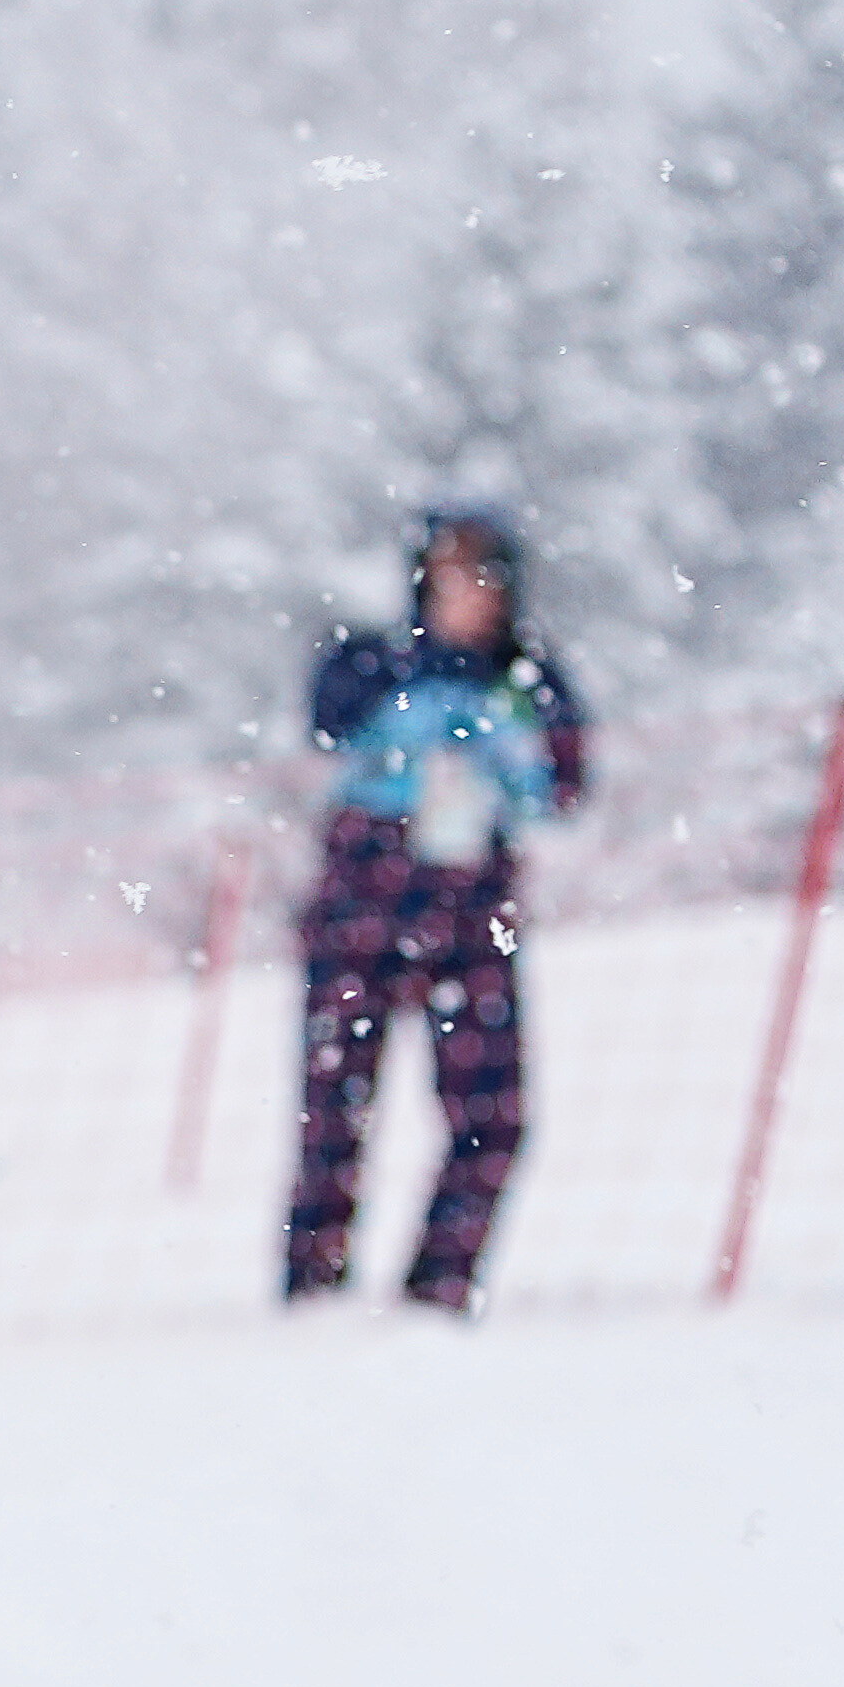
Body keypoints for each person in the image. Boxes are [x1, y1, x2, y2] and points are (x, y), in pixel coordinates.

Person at [283, 504, 588, 1313]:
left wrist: (502, 734)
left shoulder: (528, 678)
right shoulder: (368, 663)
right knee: (333, 1111)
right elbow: (326, 723)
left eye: (484, 578)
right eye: (452, 577)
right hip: (364, 901)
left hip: (471, 906)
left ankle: (439, 1288)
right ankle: (313, 1292)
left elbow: (565, 785)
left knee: (492, 1113)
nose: (469, 596)